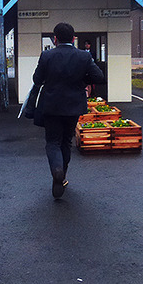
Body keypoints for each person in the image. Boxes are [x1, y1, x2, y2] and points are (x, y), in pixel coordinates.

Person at [32, 22, 104, 199]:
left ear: (55, 39)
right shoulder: (83, 56)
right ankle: (62, 175)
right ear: (73, 38)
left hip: (51, 106)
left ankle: (56, 171)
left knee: (53, 142)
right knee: (66, 141)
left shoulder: (47, 55)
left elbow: (37, 79)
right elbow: (99, 77)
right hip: (73, 106)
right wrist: (81, 81)